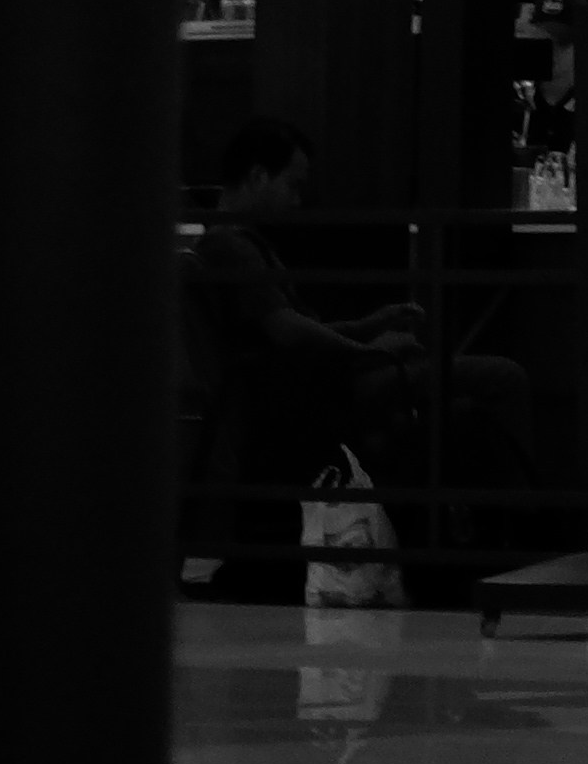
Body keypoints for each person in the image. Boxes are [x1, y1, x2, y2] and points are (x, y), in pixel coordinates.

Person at [175, 116, 418, 574]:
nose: (298, 200)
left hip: (306, 389)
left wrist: (368, 326)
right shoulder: (233, 246)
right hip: (307, 397)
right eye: (292, 185)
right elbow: (289, 331)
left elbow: (297, 327)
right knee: (496, 378)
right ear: (258, 177)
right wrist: (368, 348)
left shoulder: (239, 243)